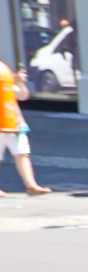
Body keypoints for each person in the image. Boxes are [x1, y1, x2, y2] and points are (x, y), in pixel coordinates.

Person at [0, 59, 50, 196]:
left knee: (22, 153)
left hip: (15, 123)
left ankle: (31, 185)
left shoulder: (4, 75)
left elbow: (22, 96)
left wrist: (19, 82)